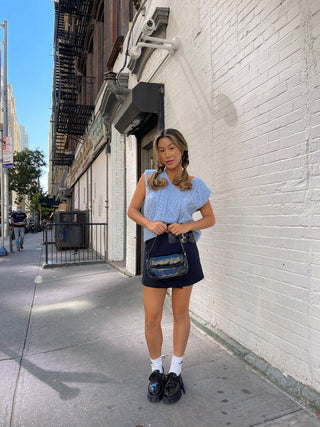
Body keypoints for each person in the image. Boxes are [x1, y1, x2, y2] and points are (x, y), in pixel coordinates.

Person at [128, 128, 215, 404]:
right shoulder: (149, 179)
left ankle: (175, 371)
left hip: (184, 250)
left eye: (172, 149)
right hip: (155, 250)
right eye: (162, 150)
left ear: (182, 150)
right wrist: (149, 223)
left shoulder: (196, 184)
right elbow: (132, 209)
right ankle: (156, 370)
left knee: (180, 313)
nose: (167, 155)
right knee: (151, 316)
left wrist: (187, 225)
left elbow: (210, 218)